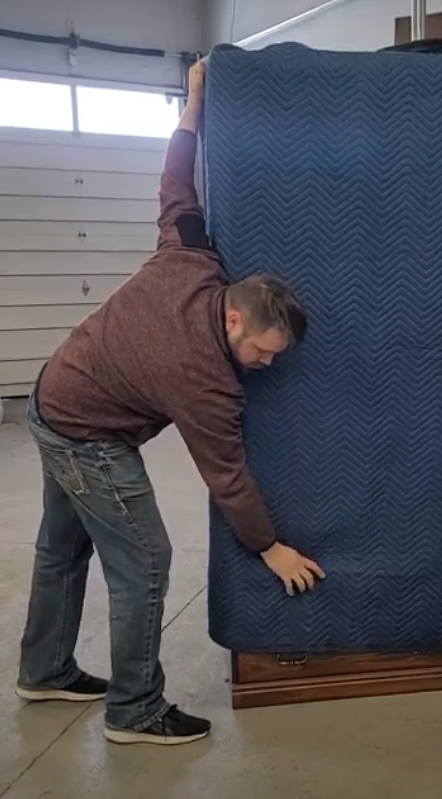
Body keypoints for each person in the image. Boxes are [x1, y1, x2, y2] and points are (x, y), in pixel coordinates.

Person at [16, 60, 325, 747]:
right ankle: (134, 710)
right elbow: (228, 475)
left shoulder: (190, 259)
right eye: (265, 353)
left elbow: (174, 185)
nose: (267, 366)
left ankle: (43, 671)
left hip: (51, 392)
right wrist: (269, 545)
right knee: (146, 558)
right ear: (237, 321)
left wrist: (190, 108)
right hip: (84, 430)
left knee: (61, 549)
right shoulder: (203, 377)